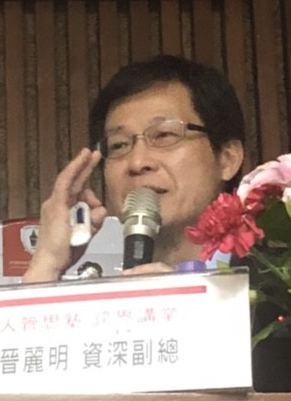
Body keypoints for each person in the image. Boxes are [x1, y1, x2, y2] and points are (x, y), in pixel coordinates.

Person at [21, 55, 246, 284]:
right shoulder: (100, 302)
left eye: (164, 135)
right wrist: (46, 265)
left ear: (227, 160)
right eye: (119, 145)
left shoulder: (269, 281)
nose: (137, 163)